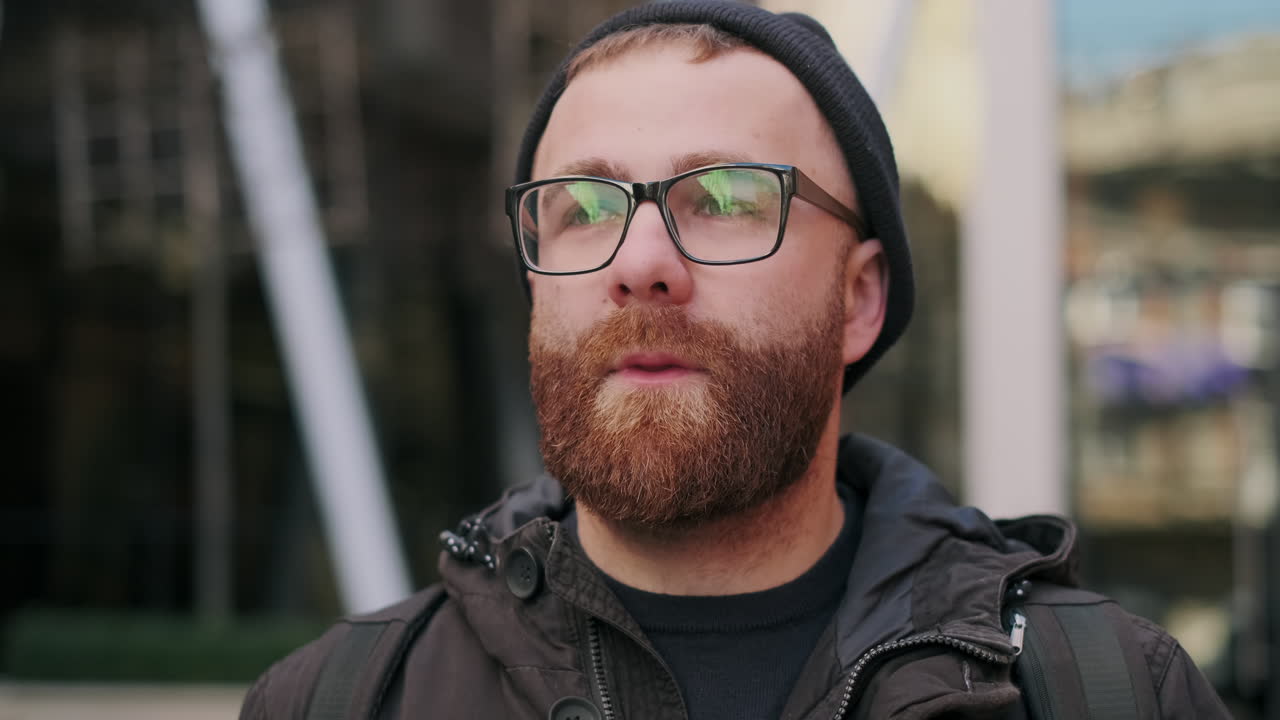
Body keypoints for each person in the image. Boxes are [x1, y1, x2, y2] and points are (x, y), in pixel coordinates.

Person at [240, 3, 1230, 718]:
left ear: (858, 298)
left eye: (722, 200)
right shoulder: (341, 700)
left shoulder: (1106, 691)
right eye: (581, 210)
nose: (640, 265)